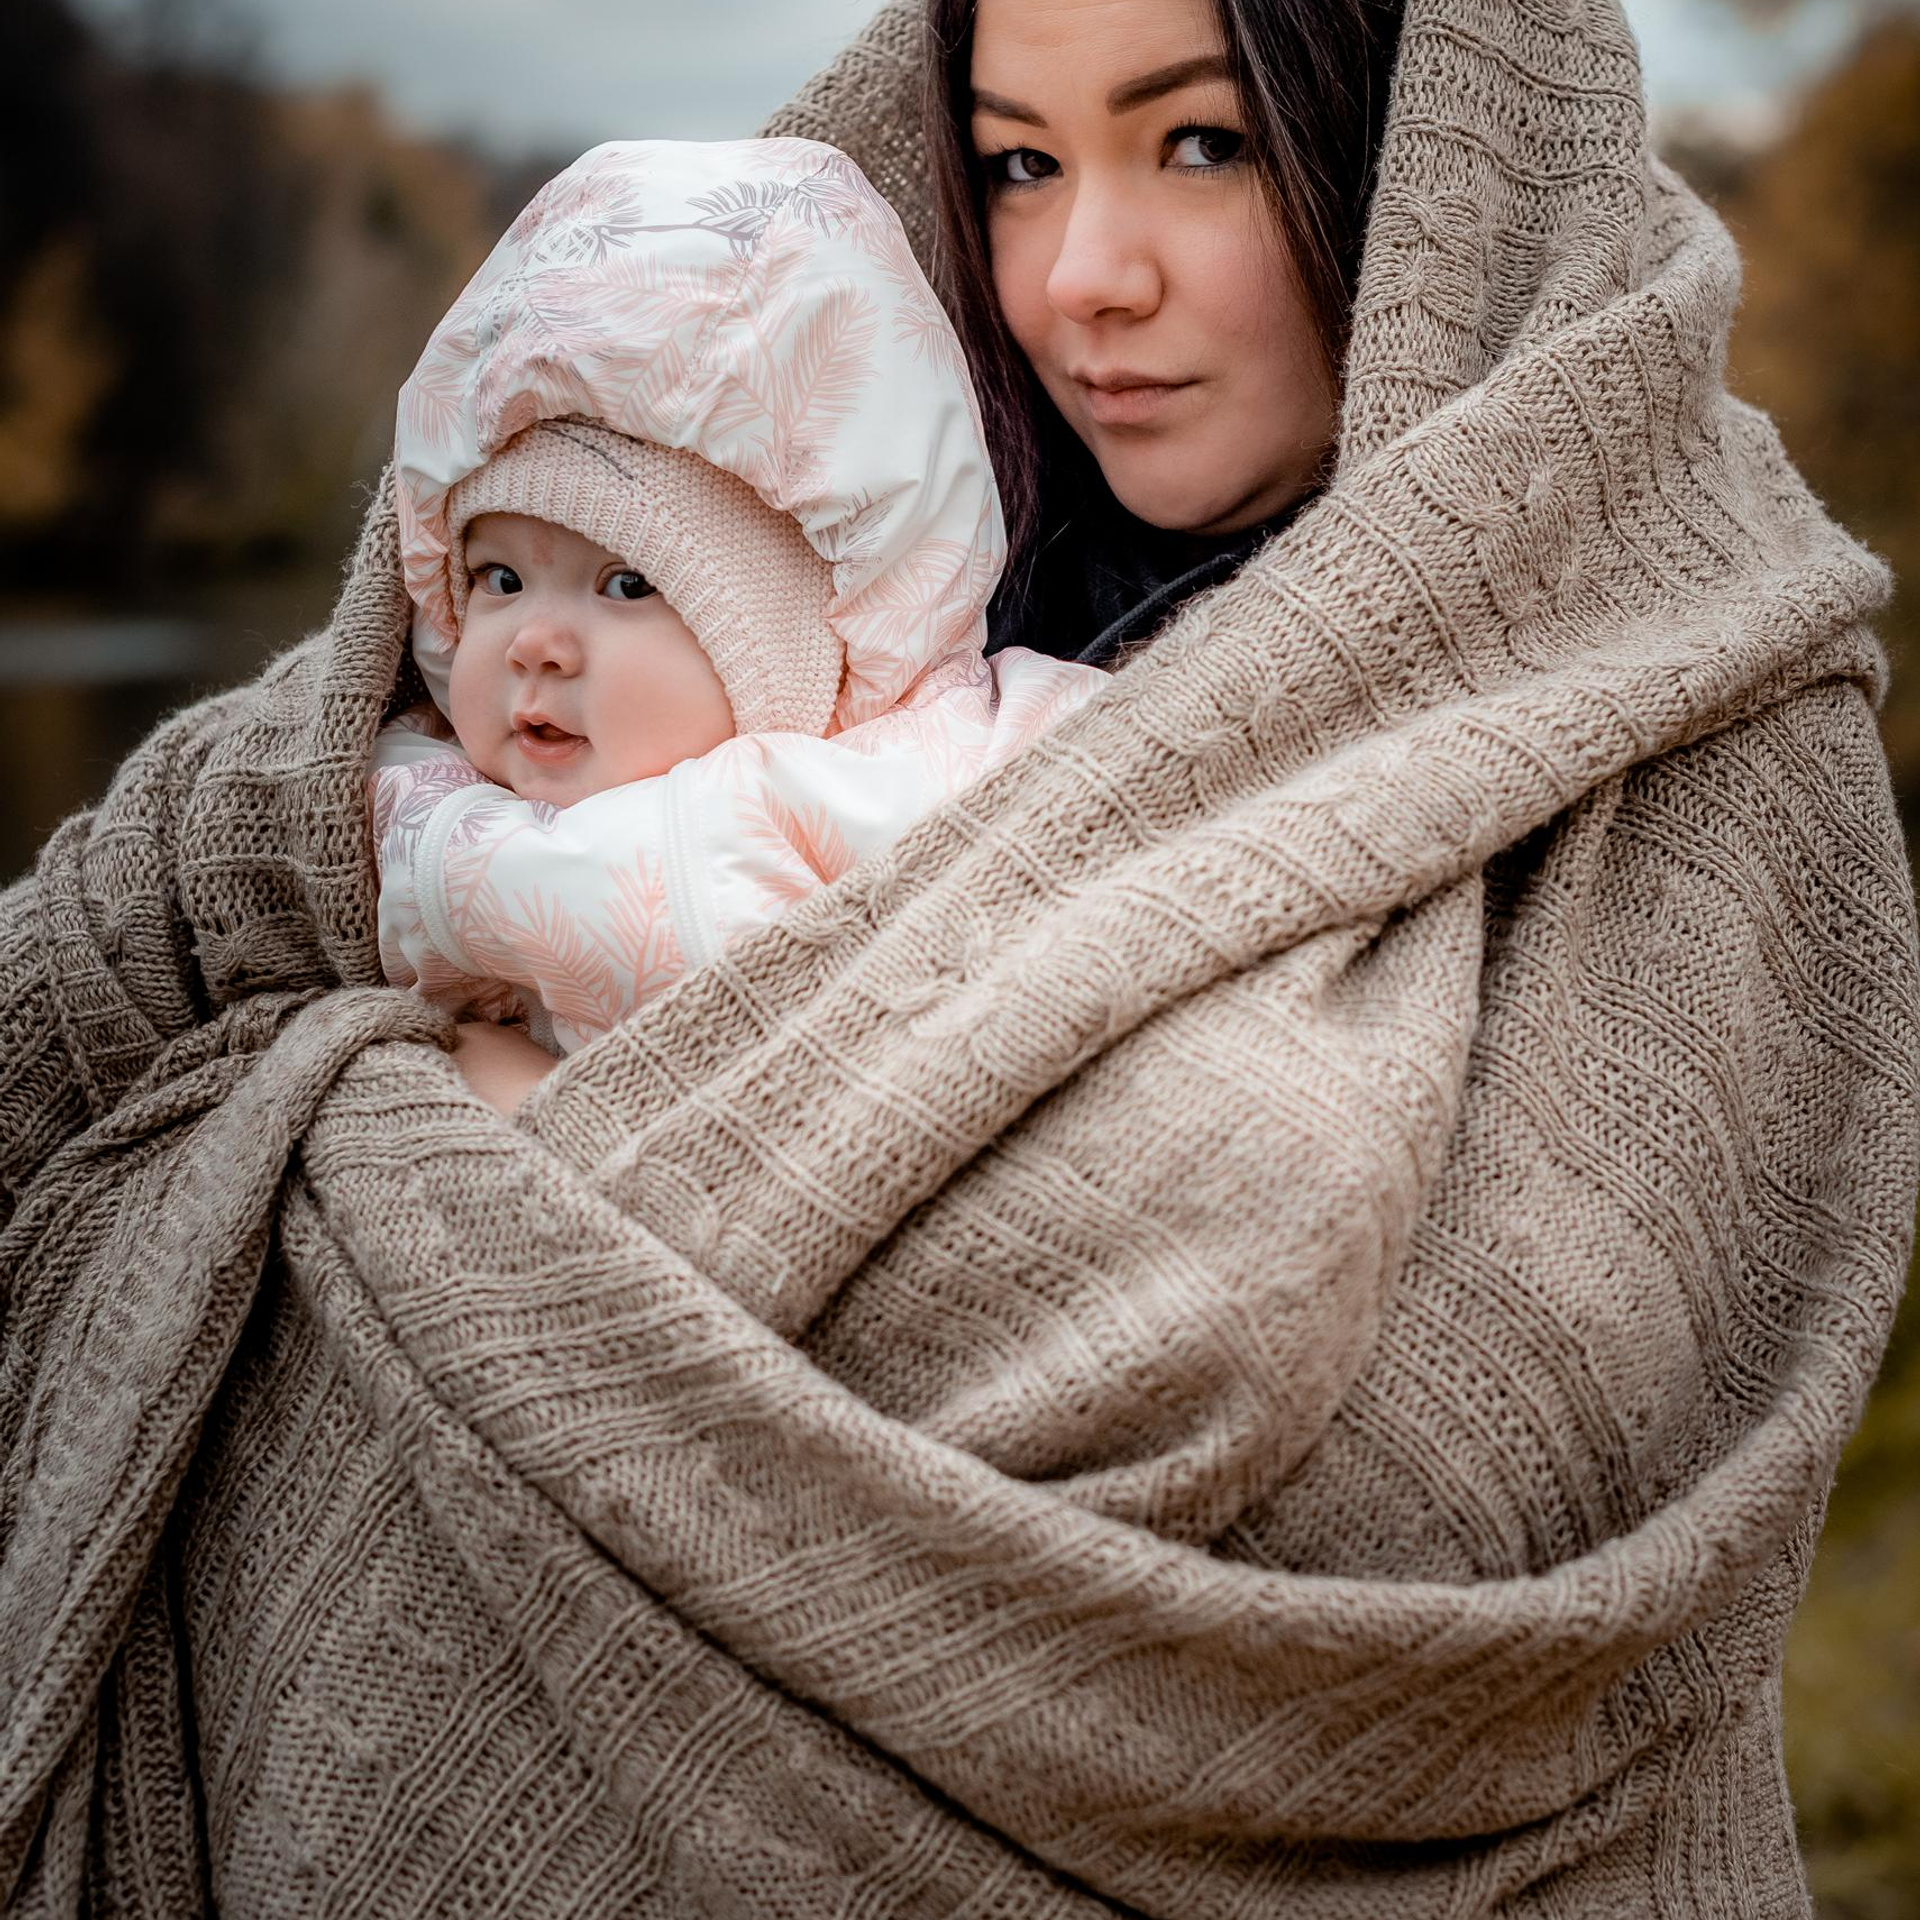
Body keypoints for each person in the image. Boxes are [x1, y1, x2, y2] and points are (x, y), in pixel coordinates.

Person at [1, 2, 1913, 1916]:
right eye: (1015, 162)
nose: (1082, 278)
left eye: (1202, 145)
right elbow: (157, 911)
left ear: (1439, 163)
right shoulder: (804, 535)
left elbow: (1448, 1478)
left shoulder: (1696, 704)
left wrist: (488, 1149)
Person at [371, 138, 1104, 1060]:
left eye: (629, 584)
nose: (535, 644)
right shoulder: (408, 800)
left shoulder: (937, 770)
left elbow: (1127, 789)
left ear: (799, 643)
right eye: (499, 580)